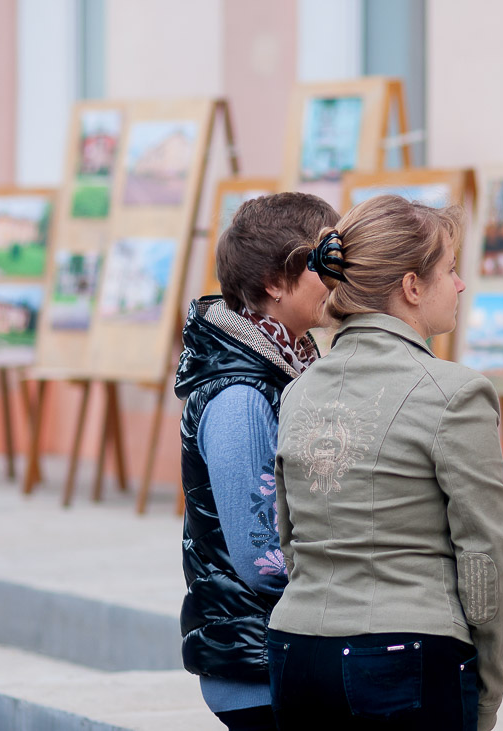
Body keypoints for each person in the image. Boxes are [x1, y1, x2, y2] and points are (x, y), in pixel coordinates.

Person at [270, 195, 503, 731]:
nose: (459, 284)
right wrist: (486, 692)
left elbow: (289, 535)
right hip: (405, 656)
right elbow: (486, 557)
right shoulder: (455, 393)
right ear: (411, 286)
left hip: (295, 651)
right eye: (450, 270)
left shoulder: (299, 391)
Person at [174, 192, 339, 731]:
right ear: (274, 281)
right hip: (258, 666)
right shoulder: (241, 396)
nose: (339, 275)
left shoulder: (287, 365)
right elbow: (262, 560)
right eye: (323, 262)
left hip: (279, 653)